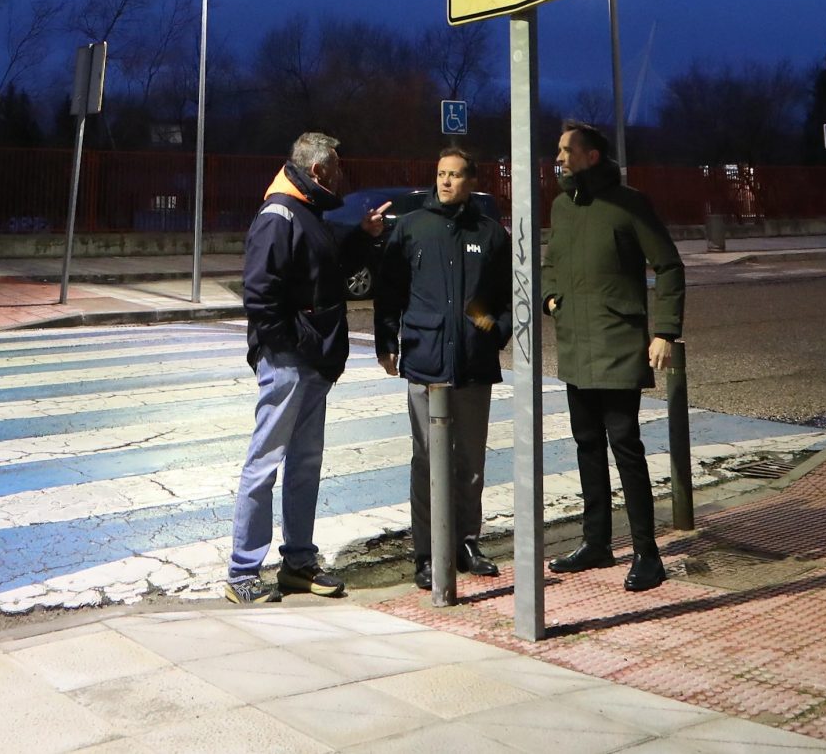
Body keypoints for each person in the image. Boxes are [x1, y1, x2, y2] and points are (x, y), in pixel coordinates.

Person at [226, 131, 387, 605]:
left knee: (304, 466)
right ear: (318, 170)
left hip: (311, 362)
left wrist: (361, 237)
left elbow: (326, 273)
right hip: (290, 362)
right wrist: (294, 344)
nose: (341, 176)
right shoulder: (279, 214)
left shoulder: (306, 211)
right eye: (336, 168)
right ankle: (242, 572)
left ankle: (298, 563)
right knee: (265, 463)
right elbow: (260, 295)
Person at [541, 121, 685, 591]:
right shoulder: (561, 206)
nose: (558, 158)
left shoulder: (629, 203)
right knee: (586, 444)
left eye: (566, 150)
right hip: (575, 344)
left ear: (592, 157)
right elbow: (550, 263)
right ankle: (596, 542)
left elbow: (668, 265)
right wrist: (550, 298)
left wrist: (664, 332)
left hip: (618, 343)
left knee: (625, 446)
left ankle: (647, 553)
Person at [375, 143, 511, 592]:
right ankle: (428, 553)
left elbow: (507, 296)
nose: (446, 181)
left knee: (470, 461)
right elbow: (389, 291)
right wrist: (386, 341)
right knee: (428, 462)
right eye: (441, 174)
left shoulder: (490, 234)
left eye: (455, 174)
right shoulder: (413, 227)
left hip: (473, 363)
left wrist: (493, 332)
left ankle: (466, 542)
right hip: (426, 359)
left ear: (472, 181)